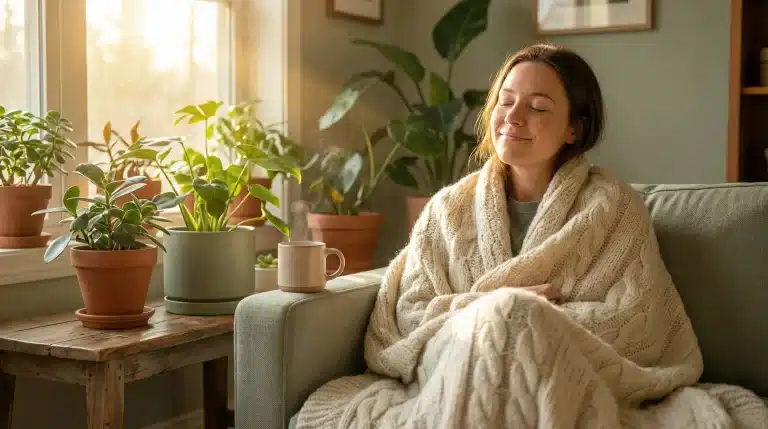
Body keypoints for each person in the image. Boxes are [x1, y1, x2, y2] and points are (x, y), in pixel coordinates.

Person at [295, 44, 768, 429]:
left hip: (562, 373)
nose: (513, 116)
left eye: (538, 107)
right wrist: (493, 306)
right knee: (507, 309)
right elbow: (410, 313)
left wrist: (528, 320)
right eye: (505, 100)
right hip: (458, 366)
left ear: (573, 129)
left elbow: (638, 322)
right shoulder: (447, 210)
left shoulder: (615, 209)